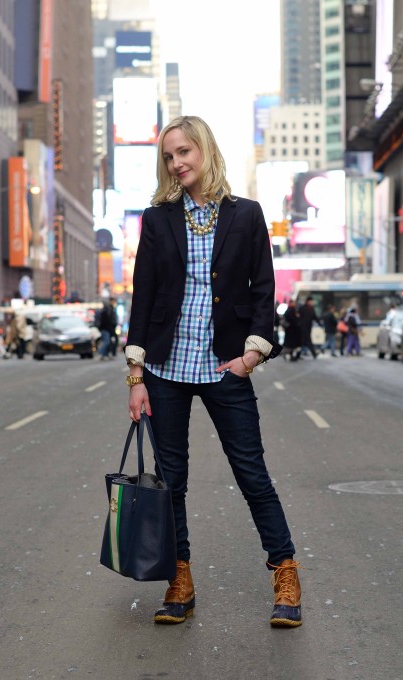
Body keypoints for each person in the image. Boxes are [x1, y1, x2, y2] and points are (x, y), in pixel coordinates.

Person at [124, 115, 302, 628]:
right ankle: (179, 577)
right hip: (167, 368)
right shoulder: (157, 219)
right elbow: (144, 296)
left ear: (204, 150)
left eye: (184, 152)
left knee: (252, 475)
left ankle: (285, 572)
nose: (177, 163)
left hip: (226, 367)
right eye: (168, 157)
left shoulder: (245, 215)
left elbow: (263, 288)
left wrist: (251, 356)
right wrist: (136, 377)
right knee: (172, 482)